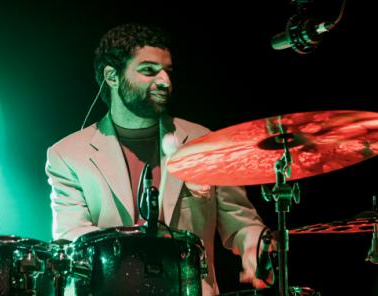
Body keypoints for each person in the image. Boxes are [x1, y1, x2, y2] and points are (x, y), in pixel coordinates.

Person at [45, 22, 272, 295]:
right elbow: (70, 234)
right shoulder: (67, 154)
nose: (165, 81)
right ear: (112, 76)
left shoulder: (204, 141)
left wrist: (255, 246)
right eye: (149, 70)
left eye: (167, 71)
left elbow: (241, 223)